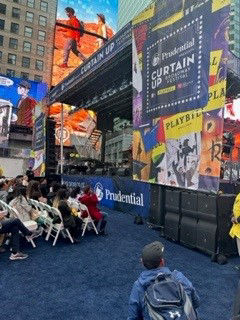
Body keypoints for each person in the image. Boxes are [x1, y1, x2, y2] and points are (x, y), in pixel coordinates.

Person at [128, 241, 200, 320]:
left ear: (142, 262)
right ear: (162, 262)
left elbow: (133, 317)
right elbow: (196, 303)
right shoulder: (179, 277)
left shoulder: (139, 286)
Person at [230, 193, 240, 270]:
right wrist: (233, 216)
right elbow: (235, 207)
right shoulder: (239, 195)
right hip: (238, 228)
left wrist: (237, 219)